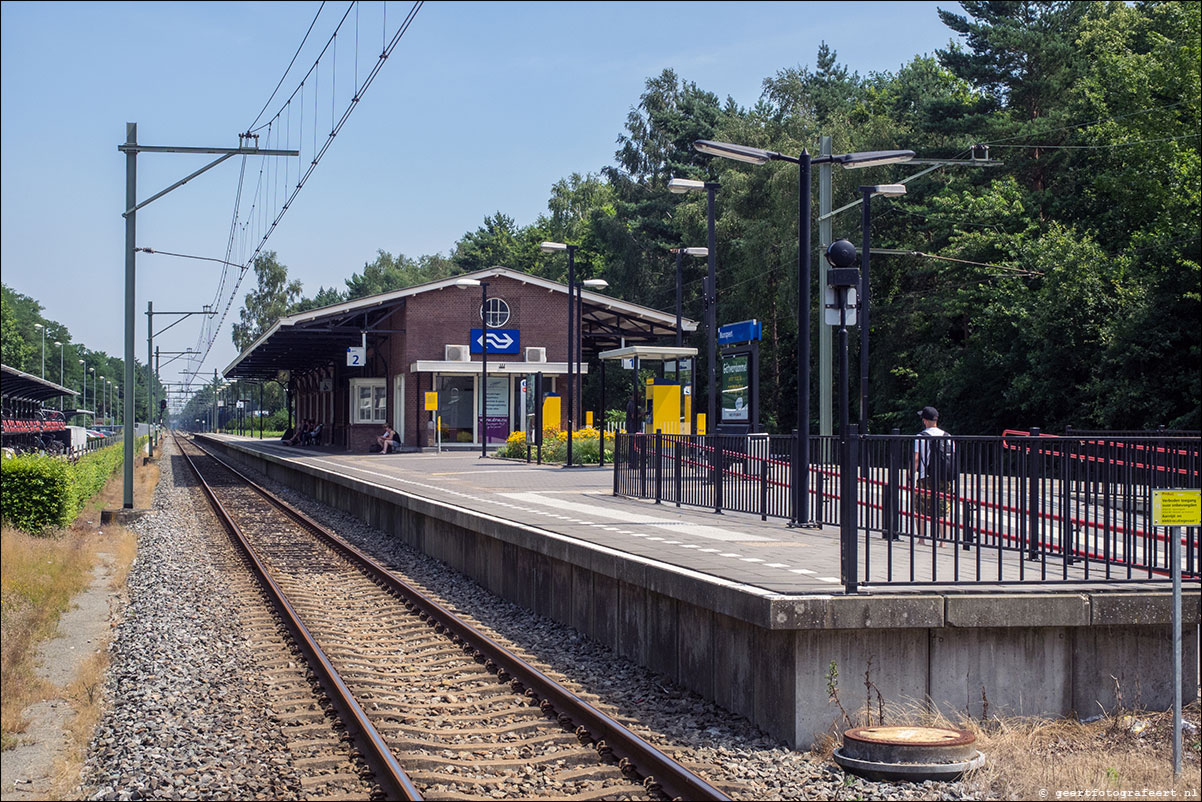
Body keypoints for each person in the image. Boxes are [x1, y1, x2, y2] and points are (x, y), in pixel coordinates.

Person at [912, 406, 954, 540]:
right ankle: (943, 542)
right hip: (944, 477)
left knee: (921, 509)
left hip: (926, 477)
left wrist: (910, 475)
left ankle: (922, 539)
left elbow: (917, 458)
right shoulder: (947, 436)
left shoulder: (920, 437)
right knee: (943, 510)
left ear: (924, 420)